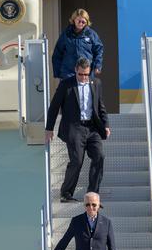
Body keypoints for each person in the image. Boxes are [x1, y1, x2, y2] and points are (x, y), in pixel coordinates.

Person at [45, 57, 110, 203]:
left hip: (92, 128)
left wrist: (105, 124)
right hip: (74, 127)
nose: (83, 78)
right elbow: (54, 107)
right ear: (75, 70)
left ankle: (93, 193)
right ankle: (66, 193)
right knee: (77, 160)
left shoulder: (96, 83)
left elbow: (100, 106)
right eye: (81, 74)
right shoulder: (66, 85)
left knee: (99, 156)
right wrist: (49, 128)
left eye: (86, 75)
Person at [52, 8, 103, 81]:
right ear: (74, 20)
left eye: (83, 22)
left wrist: (97, 66)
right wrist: (57, 72)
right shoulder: (66, 34)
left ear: (87, 22)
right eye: (79, 21)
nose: (81, 23)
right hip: (68, 73)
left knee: (85, 92)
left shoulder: (91, 34)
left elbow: (99, 50)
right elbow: (57, 53)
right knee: (70, 92)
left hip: (86, 72)